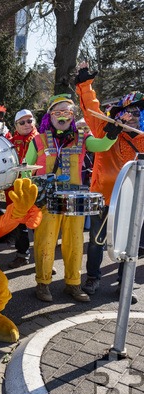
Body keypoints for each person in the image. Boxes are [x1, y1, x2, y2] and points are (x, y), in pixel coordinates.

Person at [24, 93, 119, 303]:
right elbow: (25, 168)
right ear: (50, 115)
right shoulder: (37, 140)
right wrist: (29, 193)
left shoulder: (83, 138)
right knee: (45, 242)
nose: (63, 116)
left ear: (72, 115)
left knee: (75, 242)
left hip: (75, 199)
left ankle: (73, 284)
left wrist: (112, 135)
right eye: (58, 112)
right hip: (47, 199)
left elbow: (102, 146)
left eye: (67, 112)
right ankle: (43, 283)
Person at [76, 61, 144, 303]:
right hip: (102, 196)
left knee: (129, 243)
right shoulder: (106, 127)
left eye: (138, 112)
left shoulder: (143, 138)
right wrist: (84, 83)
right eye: (130, 111)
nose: (133, 116)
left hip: (132, 200)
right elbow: (90, 107)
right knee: (96, 241)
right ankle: (93, 277)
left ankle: (125, 282)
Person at [5, 109, 39, 269]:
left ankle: (43, 258)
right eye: (22, 122)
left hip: (36, 188)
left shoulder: (42, 140)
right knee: (19, 223)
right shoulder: (9, 143)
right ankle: (22, 254)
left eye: (29, 121)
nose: (27, 125)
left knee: (39, 224)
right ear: (16, 125)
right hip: (15, 188)